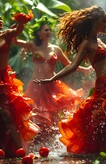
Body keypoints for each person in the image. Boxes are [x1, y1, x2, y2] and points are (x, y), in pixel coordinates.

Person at [34, 5, 106, 154]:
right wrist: (52, 78)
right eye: (103, 21)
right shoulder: (86, 43)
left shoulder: (99, 42)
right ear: (93, 22)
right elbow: (72, 66)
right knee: (100, 119)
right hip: (104, 85)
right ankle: (99, 149)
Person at [13, 16, 91, 146]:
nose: (49, 32)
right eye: (46, 30)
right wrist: (18, 25)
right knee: (37, 115)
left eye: (49, 30)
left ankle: (52, 144)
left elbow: (69, 64)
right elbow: (15, 41)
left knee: (54, 116)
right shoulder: (33, 45)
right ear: (39, 33)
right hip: (36, 86)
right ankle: (36, 144)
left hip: (53, 85)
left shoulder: (56, 49)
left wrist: (84, 69)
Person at [0, 14, 39, 157]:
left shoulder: (7, 34)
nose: (0, 20)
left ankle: (20, 150)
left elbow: (17, 31)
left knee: (7, 114)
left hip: (3, 79)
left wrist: (22, 22)